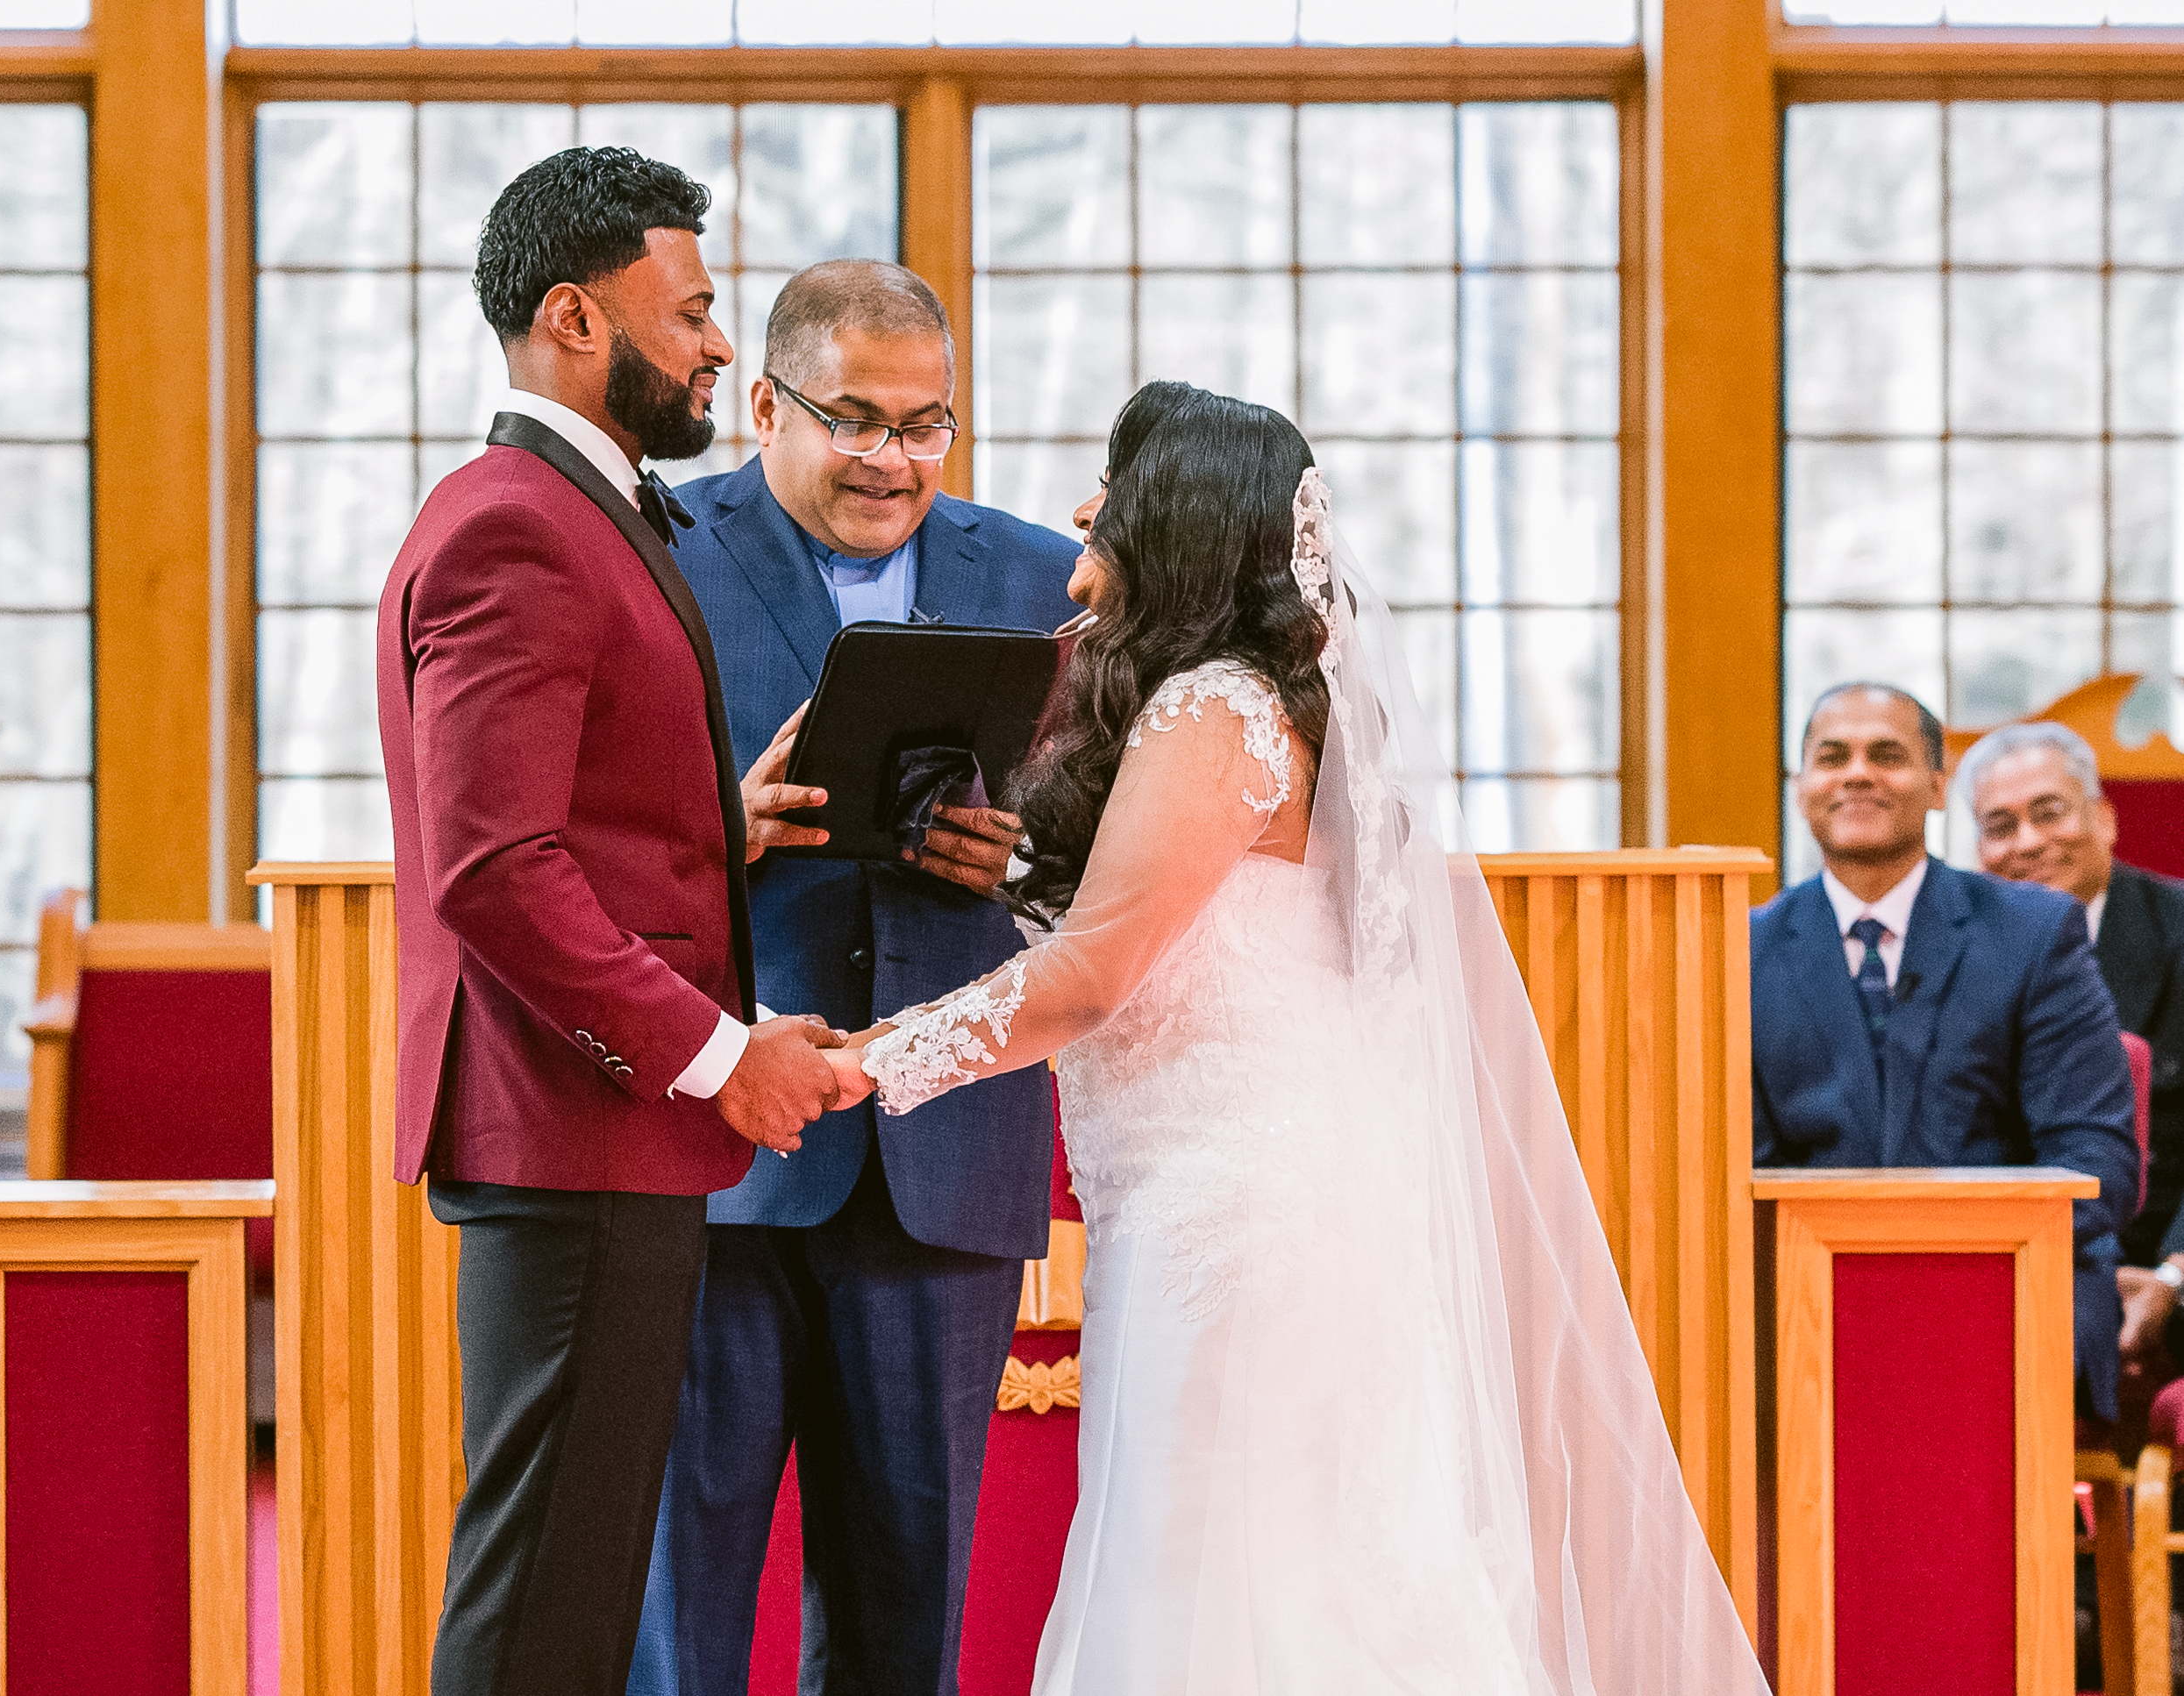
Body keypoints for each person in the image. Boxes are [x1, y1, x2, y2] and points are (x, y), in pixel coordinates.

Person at [824, 386, 1762, 1692]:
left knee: (1224, 1583)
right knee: (1266, 1573)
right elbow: (1185, 928)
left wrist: (853, 1063)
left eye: (1114, 482)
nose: (1086, 507)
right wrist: (1025, 878)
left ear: (1179, 516)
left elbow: (1090, 978)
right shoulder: (1260, 701)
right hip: (1235, 1194)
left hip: (1235, 1216)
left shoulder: (1213, 708)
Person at [373, 146, 851, 1696]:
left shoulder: (580, 509)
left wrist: (728, 868)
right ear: (576, 318)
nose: (718, 343)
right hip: (571, 1126)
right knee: (545, 1605)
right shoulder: (517, 525)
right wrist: (721, 1056)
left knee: (572, 1594)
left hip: (597, 1129)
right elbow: (495, 867)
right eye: (692, 310)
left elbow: (582, 827)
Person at [629, 261, 1081, 1696]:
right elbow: (555, 840)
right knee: (681, 1602)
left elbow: (1124, 848)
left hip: (940, 1154)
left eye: (926, 423)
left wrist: (1019, 854)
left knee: (907, 1609)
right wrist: (722, 824)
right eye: (856, 420)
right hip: (716, 1146)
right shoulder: (652, 549)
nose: (894, 458)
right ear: (766, 406)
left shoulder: (1039, 576)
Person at [1752, 684, 2138, 1422]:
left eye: (1886, 754)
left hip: (2012, 1285)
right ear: (1802, 789)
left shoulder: (2037, 933)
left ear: (1936, 786)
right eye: (1833, 757)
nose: (1858, 773)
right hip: (1808, 1297)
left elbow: (2097, 1162)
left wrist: (1943, 1266)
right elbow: (1741, 1173)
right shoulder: (1745, 950)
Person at [1966, 719, 2184, 1372]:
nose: (2028, 842)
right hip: (2008, 1271)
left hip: (2165, 1263)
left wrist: (2172, 1277)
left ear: (2105, 819)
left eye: (2049, 813)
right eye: (2001, 826)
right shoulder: (1953, 955)